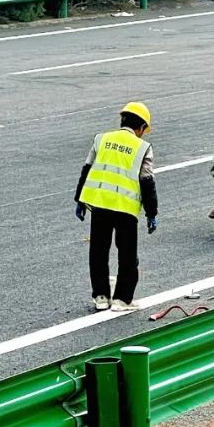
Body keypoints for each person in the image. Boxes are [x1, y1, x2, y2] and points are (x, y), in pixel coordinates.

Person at [74, 102, 159, 312]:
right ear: (141, 128)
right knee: (128, 254)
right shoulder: (142, 147)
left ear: (122, 120)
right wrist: (151, 214)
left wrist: (79, 200)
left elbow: (87, 169)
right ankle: (122, 299)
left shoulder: (101, 139)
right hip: (125, 208)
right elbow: (147, 182)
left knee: (99, 251)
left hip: (100, 202)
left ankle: (101, 297)